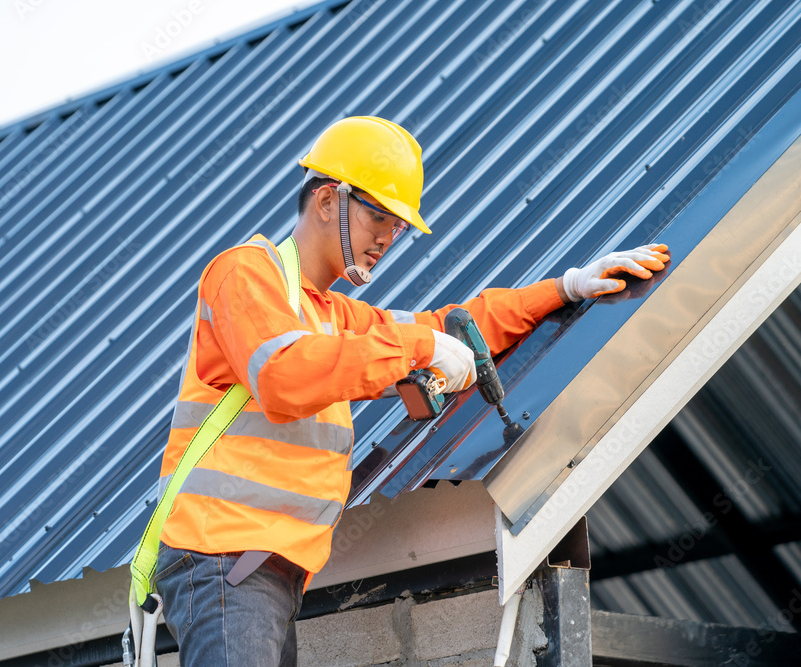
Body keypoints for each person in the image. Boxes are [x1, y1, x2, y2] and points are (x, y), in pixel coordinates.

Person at [149, 116, 669, 666]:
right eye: (378, 216)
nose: (386, 239)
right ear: (328, 201)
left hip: (262, 569)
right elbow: (284, 373)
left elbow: (448, 327)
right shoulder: (245, 273)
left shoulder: (331, 314)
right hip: (222, 558)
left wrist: (564, 287)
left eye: (397, 226)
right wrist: (417, 350)